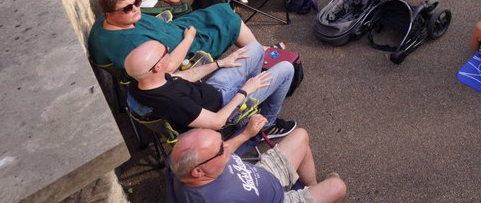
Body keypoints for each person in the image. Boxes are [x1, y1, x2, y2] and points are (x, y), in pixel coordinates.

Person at [125, 40, 295, 138]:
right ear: (158, 67)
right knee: (287, 68)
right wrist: (245, 91)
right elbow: (216, 122)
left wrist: (220, 63)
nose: (169, 50)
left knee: (255, 48)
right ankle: (267, 123)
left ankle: (255, 101)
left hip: (212, 90)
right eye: (165, 51)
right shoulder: (173, 102)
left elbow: (182, 77)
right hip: (225, 108)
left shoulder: (141, 81)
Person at [167, 118, 346, 203]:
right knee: (338, 186)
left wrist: (246, 134)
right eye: (220, 149)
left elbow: (213, 152)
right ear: (198, 171)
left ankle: (313, 187)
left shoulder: (177, 162)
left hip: (264, 175)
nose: (227, 147)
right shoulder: (220, 199)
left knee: (301, 135)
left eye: (221, 141)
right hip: (278, 199)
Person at [88, 0, 254, 70]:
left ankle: (259, 50)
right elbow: (168, 66)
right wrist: (189, 38)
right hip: (188, 48)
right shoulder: (132, 45)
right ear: (110, 13)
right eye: (127, 8)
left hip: (172, 29)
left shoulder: (106, 20)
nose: (135, 8)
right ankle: (260, 54)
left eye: (137, 2)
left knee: (220, 10)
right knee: (230, 21)